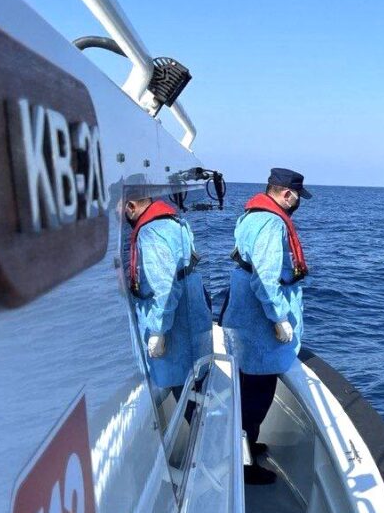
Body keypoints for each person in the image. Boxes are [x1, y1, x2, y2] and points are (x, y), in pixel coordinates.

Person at [222, 168, 313, 485]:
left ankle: (245, 444)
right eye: (298, 196)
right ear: (287, 194)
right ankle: (244, 465)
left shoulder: (252, 215)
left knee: (247, 390)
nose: (299, 202)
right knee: (257, 395)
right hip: (259, 326)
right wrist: (279, 320)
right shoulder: (273, 223)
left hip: (244, 316)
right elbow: (264, 280)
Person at [126, 197, 212, 399]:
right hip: (190, 318)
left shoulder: (150, 232)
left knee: (182, 389)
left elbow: (164, 287)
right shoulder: (173, 222)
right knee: (194, 383)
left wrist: (158, 330)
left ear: (131, 205)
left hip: (173, 331)